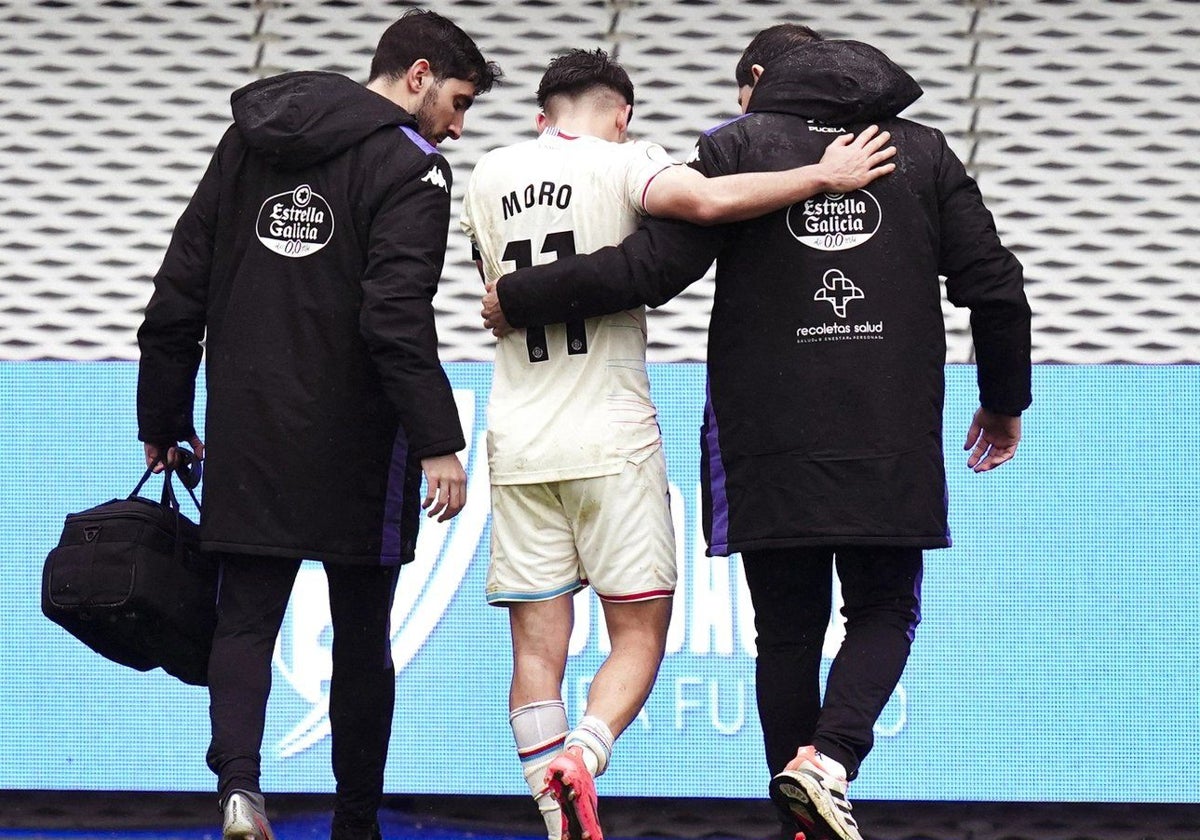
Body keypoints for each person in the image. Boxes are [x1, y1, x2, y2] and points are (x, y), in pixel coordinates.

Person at [481, 26, 1031, 840]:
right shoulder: (922, 152)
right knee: (884, 609)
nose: (745, 108)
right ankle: (829, 763)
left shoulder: (739, 147)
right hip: (890, 429)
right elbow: (996, 285)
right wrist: (1002, 399)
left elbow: (650, 269)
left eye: (745, 90)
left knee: (786, 633)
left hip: (765, 433)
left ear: (763, 77)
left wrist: (520, 294)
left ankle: (799, 824)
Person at [135, 10, 500, 840]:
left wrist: (162, 412)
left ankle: (238, 792)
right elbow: (395, 319)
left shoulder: (247, 142)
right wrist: (440, 440)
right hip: (359, 443)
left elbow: (178, 286)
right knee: (364, 639)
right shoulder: (415, 168)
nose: (458, 122)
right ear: (417, 75)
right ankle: (357, 825)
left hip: (248, 431)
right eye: (459, 99)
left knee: (244, 620)